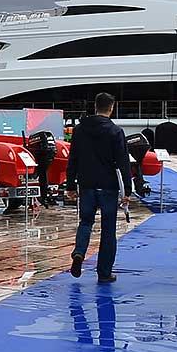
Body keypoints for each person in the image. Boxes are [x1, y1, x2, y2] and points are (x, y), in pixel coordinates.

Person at [65, 93, 134, 284]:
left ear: (95, 106)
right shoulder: (115, 131)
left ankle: (79, 252)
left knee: (86, 221)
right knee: (108, 229)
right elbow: (123, 163)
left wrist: (70, 185)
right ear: (111, 108)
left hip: (86, 184)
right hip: (108, 186)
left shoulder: (80, 130)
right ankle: (104, 272)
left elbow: (73, 159)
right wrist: (127, 190)